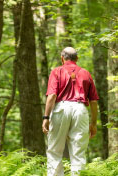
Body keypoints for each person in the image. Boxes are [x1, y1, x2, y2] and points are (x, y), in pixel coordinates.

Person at [42, 47, 99, 176]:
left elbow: (51, 96)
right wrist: (94, 124)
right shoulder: (86, 73)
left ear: (62, 58)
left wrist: (45, 117)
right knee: (78, 153)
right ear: (77, 58)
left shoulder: (56, 72)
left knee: (55, 151)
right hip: (80, 109)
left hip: (61, 109)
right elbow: (94, 102)